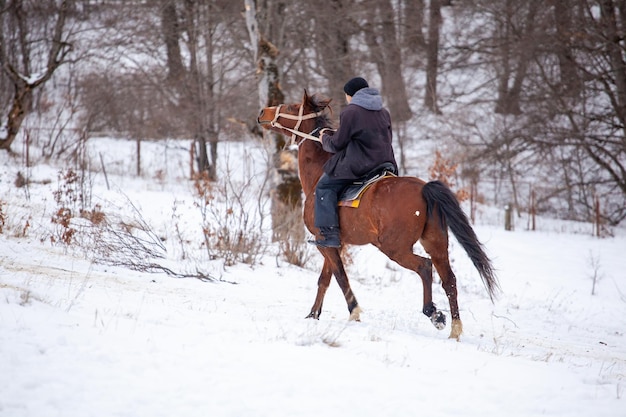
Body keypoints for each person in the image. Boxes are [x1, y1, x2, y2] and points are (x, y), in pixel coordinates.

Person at [309, 77, 398, 248]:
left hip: (361, 166)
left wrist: (324, 138)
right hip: (385, 163)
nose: (346, 99)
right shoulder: (384, 112)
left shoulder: (351, 111)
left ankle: (329, 235)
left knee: (324, 187)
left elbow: (337, 145)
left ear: (351, 94)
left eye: (346, 95)